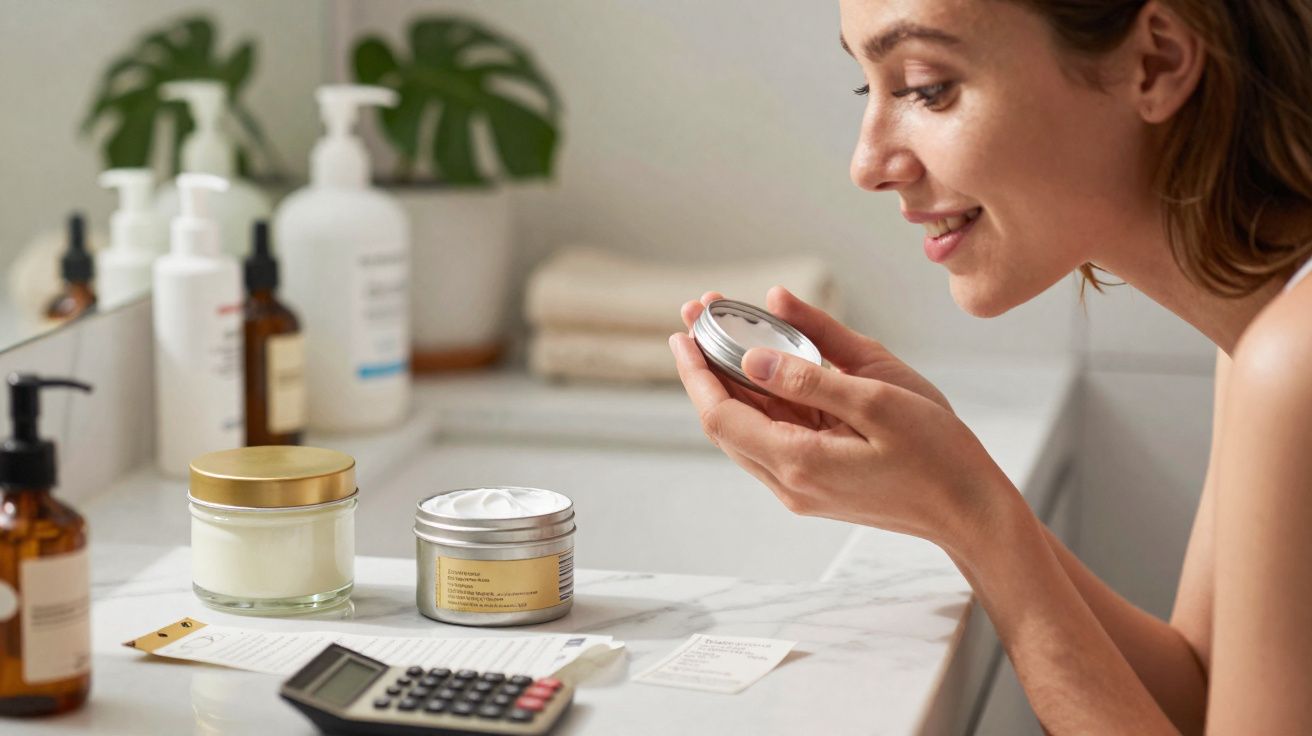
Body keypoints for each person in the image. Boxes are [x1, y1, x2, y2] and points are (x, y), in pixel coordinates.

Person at [669, 1, 1312, 732]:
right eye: (866, 88)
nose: (867, 164)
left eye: (925, 86)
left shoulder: (1295, 363)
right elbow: (1198, 696)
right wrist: (960, 486)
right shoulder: (1266, 338)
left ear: (1156, 63)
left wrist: (969, 515)